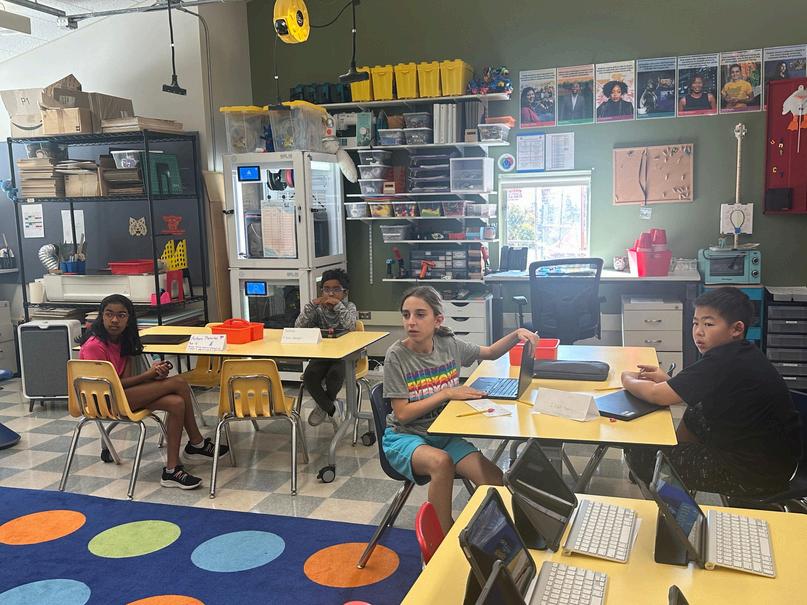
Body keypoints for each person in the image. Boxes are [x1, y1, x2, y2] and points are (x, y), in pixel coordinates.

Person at [382, 286, 540, 533]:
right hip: (405, 437)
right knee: (441, 462)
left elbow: (490, 353)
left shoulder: (448, 344)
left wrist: (517, 334)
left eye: (420, 314)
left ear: (438, 320)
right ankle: (441, 540)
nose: (411, 322)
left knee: (495, 481)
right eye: (406, 315)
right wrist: (446, 393)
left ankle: (499, 536)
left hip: (443, 435)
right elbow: (402, 414)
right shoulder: (396, 356)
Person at [621, 287, 801, 497]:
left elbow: (656, 395)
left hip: (751, 474)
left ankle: (669, 502)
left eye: (708, 324)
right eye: (695, 323)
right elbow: (686, 391)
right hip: (773, 460)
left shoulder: (723, 360)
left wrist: (626, 378)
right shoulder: (741, 351)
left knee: (639, 452)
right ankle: (674, 464)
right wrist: (669, 383)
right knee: (696, 411)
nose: (698, 331)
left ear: (736, 328)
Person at [78, 294, 229, 490]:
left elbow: (127, 383)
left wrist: (153, 377)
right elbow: (109, 387)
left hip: (122, 395)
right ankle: (196, 443)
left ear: (128, 319)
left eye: (121, 315)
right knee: (179, 383)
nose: (114, 320)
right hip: (103, 401)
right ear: (101, 316)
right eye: (109, 314)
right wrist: (147, 376)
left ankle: (172, 470)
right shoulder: (94, 346)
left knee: (176, 403)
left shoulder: (124, 341)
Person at [295, 268, 357, 427]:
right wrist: (310, 306)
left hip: (344, 355)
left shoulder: (349, 307)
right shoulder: (317, 310)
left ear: (345, 293)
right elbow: (298, 327)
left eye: (336, 290)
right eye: (326, 289)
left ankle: (323, 405)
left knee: (334, 375)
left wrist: (338, 306)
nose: (330, 294)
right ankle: (330, 408)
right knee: (310, 376)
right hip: (321, 355)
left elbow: (351, 326)